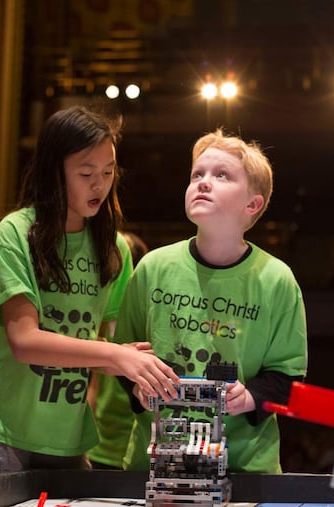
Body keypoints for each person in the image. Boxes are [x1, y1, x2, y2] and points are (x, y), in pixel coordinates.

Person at [0, 106, 179, 478]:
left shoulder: (114, 250)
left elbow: (105, 353)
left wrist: (135, 365)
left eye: (108, 172)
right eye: (86, 173)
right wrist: (114, 354)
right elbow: (24, 341)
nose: (99, 185)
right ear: (53, 171)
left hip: (67, 434)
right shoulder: (15, 233)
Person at [113, 128, 308, 473]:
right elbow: (125, 354)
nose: (203, 182)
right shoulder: (153, 267)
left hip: (244, 467)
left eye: (222, 175)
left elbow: (288, 377)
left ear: (253, 204)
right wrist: (137, 389)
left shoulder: (277, 280)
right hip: (155, 463)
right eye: (197, 175)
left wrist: (249, 398)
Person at [87, 231, 149, 470]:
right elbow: (93, 384)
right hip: (101, 441)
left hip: (133, 437)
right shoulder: (100, 320)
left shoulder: (143, 318)